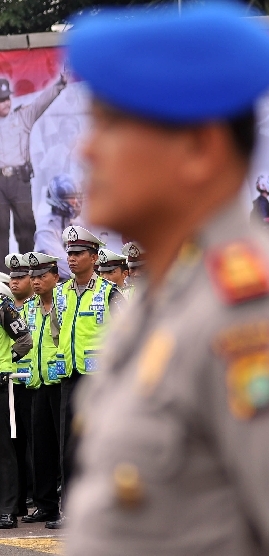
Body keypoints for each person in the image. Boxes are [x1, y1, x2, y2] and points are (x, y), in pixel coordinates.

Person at [64, 5, 269, 555]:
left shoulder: (251, 318)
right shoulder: (158, 301)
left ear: (198, 149)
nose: (85, 150)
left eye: (111, 124)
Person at [49, 226, 123, 530]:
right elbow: (54, 329)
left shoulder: (109, 292)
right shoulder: (60, 292)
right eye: (69, 253)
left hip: (100, 381)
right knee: (68, 446)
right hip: (69, 378)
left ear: (94, 257)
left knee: (103, 442)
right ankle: (71, 511)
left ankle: (109, 510)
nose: (72, 258)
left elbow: (125, 333)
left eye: (78, 253)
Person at [0, 72, 67, 264]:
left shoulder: (23, 116)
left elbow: (41, 102)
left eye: (7, 98)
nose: (6, 102)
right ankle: (2, 279)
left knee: (26, 228)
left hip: (19, 181)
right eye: (1, 100)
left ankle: (29, 272)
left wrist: (60, 84)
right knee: (0, 230)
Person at [20, 252, 62, 526]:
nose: (36, 282)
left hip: (61, 382)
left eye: (41, 276)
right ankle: (45, 505)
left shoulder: (65, 302)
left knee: (65, 448)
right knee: (41, 448)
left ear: (55, 278)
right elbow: (22, 343)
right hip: (36, 384)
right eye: (32, 277)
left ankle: (69, 506)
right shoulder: (28, 308)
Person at [4, 253, 34, 519]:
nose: (15, 282)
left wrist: (7, 360)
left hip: (10, 383)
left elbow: (26, 340)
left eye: (20, 277)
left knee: (10, 447)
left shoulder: (3, 305)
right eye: (11, 278)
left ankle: (11, 507)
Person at [34, 174, 81, 280]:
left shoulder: (76, 223)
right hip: (57, 284)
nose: (75, 202)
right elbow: (61, 263)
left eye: (76, 197)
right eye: (71, 198)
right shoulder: (46, 228)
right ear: (58, 199)